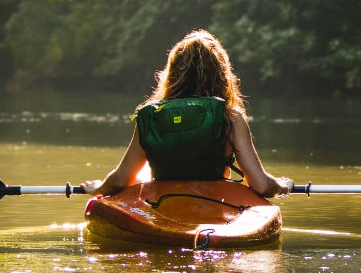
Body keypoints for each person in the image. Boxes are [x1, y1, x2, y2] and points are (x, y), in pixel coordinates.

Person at [82, 30, 293, 198]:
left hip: (162, 204)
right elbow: (261, 185)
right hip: (215, 204)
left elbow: (121, 179)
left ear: (172, 73)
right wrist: (282, 185)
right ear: (222, 75)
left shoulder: (152, 117)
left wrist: (100, 188)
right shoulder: (230, 118)